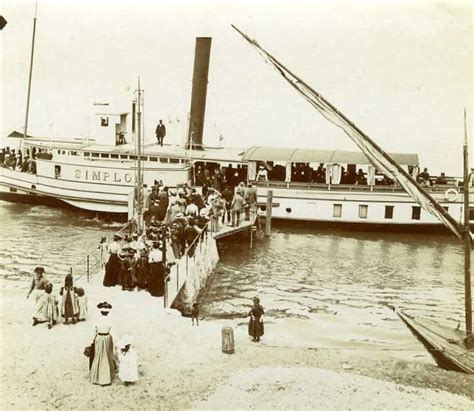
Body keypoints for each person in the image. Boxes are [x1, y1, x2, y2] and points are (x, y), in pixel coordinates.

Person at [90, 302, 115, 386]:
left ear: (100, 311)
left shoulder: (97, 320)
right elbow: (113, 332)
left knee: (98, 356)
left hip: (99, 338)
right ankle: (106, 378)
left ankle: (97, 377)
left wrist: (92, 341)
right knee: (106, 356)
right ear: (108, 312)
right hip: (107, 338)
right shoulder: (110, 320)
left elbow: (94, 331)